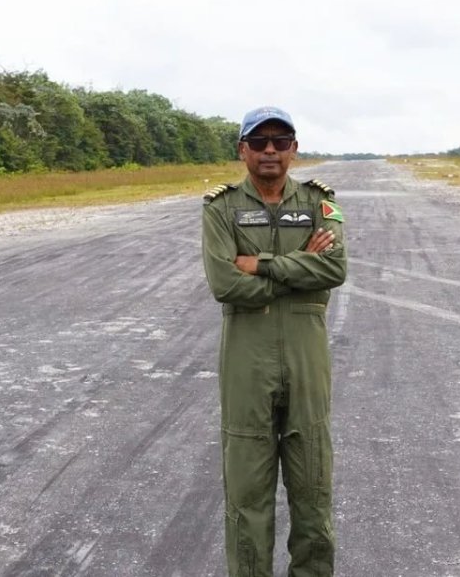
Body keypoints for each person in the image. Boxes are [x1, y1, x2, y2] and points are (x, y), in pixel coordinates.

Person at [202, 106, 347, 576]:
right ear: (242, 149)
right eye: (259, 141)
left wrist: (260, 264)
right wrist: (298, 266)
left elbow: (333, 269)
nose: (270, 150)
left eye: (280, 141)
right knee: (247, 498)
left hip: (307, 362)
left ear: (294, 149)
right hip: (247, 363)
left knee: (313, 493)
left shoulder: (320, 203)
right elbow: (225, 284)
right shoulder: (220, 208)